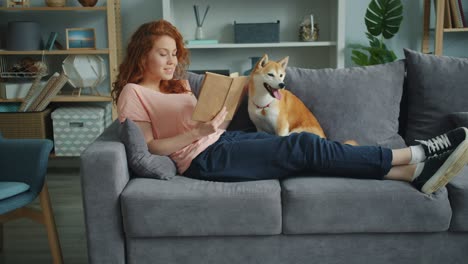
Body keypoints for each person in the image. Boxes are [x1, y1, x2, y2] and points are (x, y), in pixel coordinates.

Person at [112, 19, 468, 195]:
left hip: (221, 141)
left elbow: (203, 122)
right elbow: (150, 147)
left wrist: (217, 117)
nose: (172, 61)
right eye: (163, 53)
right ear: (143, 53)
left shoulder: (178, 85)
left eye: (175, 53)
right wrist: (196, 132)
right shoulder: (133, 93)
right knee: (304, 145)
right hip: (201, 161)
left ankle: (410, 173)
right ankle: (414, 154)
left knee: (309, 148)